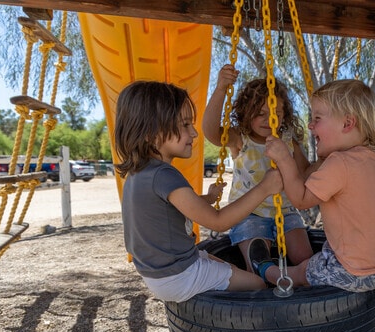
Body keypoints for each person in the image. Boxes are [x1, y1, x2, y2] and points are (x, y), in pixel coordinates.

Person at [114, 80, 283, 302]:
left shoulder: (141, 173)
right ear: (150, 132)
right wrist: (264, 188)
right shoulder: (164, 175)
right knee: (258, 284)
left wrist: (209, 198)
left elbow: (171, 209)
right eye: (185, 125)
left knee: (228, 265)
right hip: (180, 275)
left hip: (158, 273)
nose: (194, 133)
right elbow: (219, 222)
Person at [249, 79, 375, 292]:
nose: (310, 125)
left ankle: (266, 271)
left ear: (347, 124)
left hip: (353, 272)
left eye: (317, 118)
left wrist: (284, 159)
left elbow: (301, 200)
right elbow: (310, 176)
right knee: (318, 257)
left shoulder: (339, 162)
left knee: (302, 271)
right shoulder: (371, 159)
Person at [202, 64, 313, 272]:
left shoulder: (289, 140)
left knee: (304, 258)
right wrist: (220, 90)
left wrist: (329, 157)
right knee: (258, 258)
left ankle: (300, 286)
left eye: (277, 113)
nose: (269, 119)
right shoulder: (240, 139)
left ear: (284, 115)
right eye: (261, 113)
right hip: (249, 213)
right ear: (246, 113)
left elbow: (306, 172)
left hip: (287, 211)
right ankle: (262, 282)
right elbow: (211, 132)